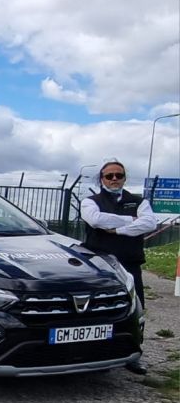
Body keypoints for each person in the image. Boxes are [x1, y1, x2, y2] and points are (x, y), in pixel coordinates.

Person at [79, 159, 156, 375]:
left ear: (124, 177)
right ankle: (93, 353)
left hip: (130, 263)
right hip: (99, 265)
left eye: (118, 175)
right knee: (96, 310)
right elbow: (95, 220)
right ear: (101, 178)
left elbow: (150, 223)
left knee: (134, 308)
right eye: (109, 176)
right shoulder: (91, 201)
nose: (114, 179)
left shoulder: (139, 201)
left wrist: (118, 230)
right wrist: (131, 221)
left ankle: (133, 354)